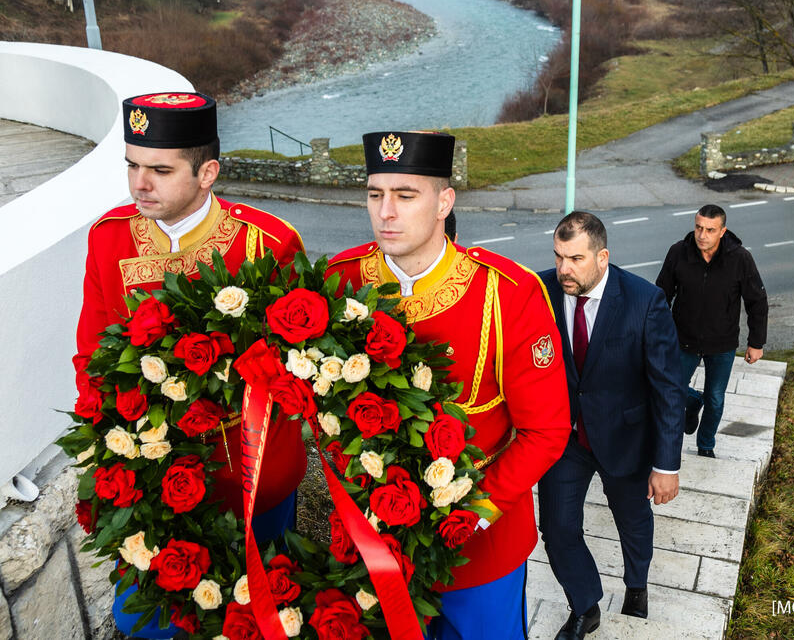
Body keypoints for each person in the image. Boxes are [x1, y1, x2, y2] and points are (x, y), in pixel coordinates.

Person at [74, 92, 308, 638]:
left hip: (253, 476)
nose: (139, 184)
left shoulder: (268, 243)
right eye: (132, 166)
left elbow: (297, 371)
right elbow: (92, 356)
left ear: (208, 172)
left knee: (263, 613)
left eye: (159, 169)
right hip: (151, 484)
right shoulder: (108, 240)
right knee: (147, 621)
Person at [326, 130, 571, 640]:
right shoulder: (341, 280)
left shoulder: (508, 294)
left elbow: (546, 431)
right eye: (375, 194)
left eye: (405, 195)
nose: (385, 213)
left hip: (480, 548)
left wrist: (472, 515)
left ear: (445, 201)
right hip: (374, 541)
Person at [536, 211, 687, 640]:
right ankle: (585, 604)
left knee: (632, 519)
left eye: (576, 259)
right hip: (564, 438)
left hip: (626, 437)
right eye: (559, 256)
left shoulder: (644, 300)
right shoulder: (540, 290)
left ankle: (636, 585)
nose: (564, 269)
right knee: (558, 528)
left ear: (603, 257)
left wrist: (667, 465)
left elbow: (668, 388)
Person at [654, 203, 768, 458]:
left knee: (715, 399)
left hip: (722, 343)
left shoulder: (740, 258)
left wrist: (756, 342)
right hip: (683, 339)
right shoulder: (678, 253)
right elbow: (661, 295)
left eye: (709, 229)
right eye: (698, 227)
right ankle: (692, 401)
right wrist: (657, 335)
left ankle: (706, 444)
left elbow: (757, 301)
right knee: (669, 389)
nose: (702, 235)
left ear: (722, 231)